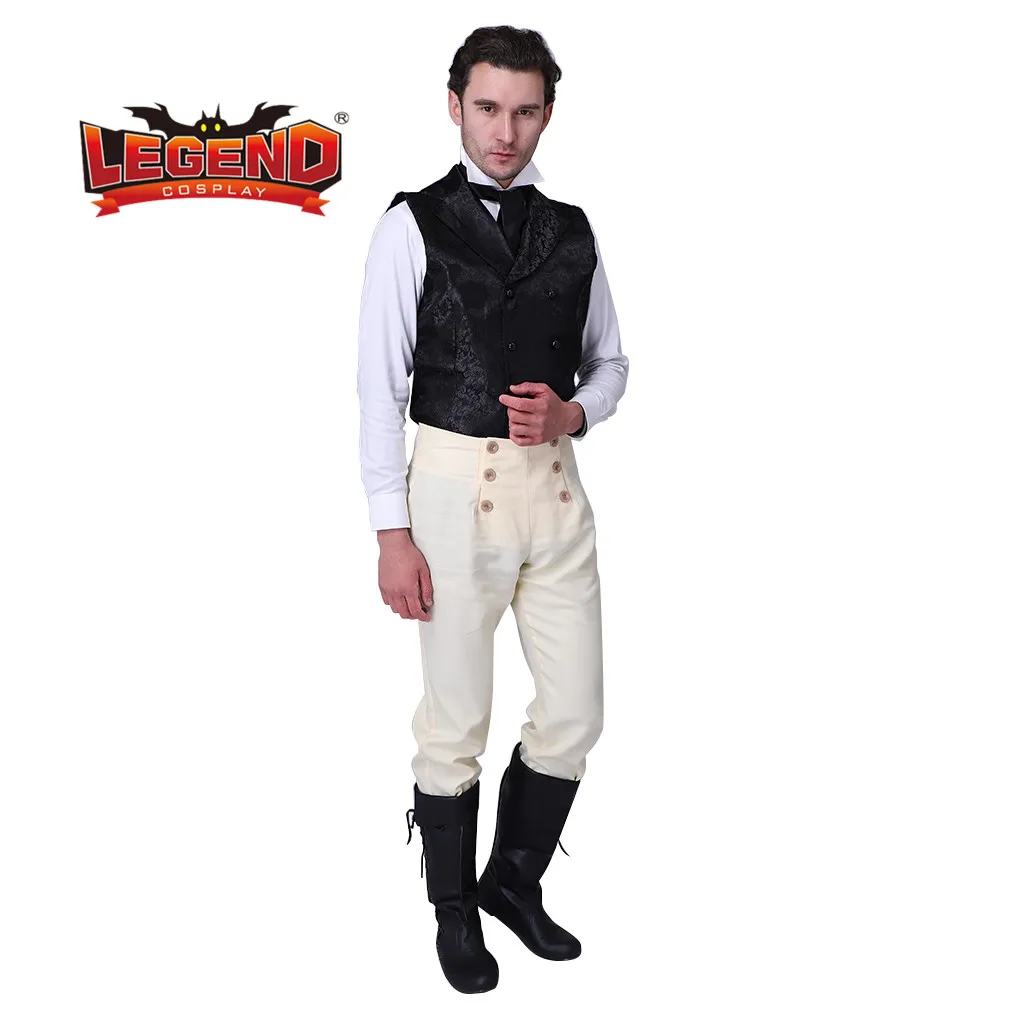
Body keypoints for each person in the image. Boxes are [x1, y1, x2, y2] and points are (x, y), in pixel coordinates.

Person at [356, 25, 628, 993]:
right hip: (449, 493)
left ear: (546, 113)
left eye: (523, 110)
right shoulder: (409, 225)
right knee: (455, 719)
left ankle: (512, 882)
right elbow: (378, 390)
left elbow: (610, 362)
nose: (504, 131)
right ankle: (454, 910)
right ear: (455, 106)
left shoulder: (574, 231)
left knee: (576, 710)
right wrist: (391, 534)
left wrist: (573, 411)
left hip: (555, 491)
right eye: (486, 108)